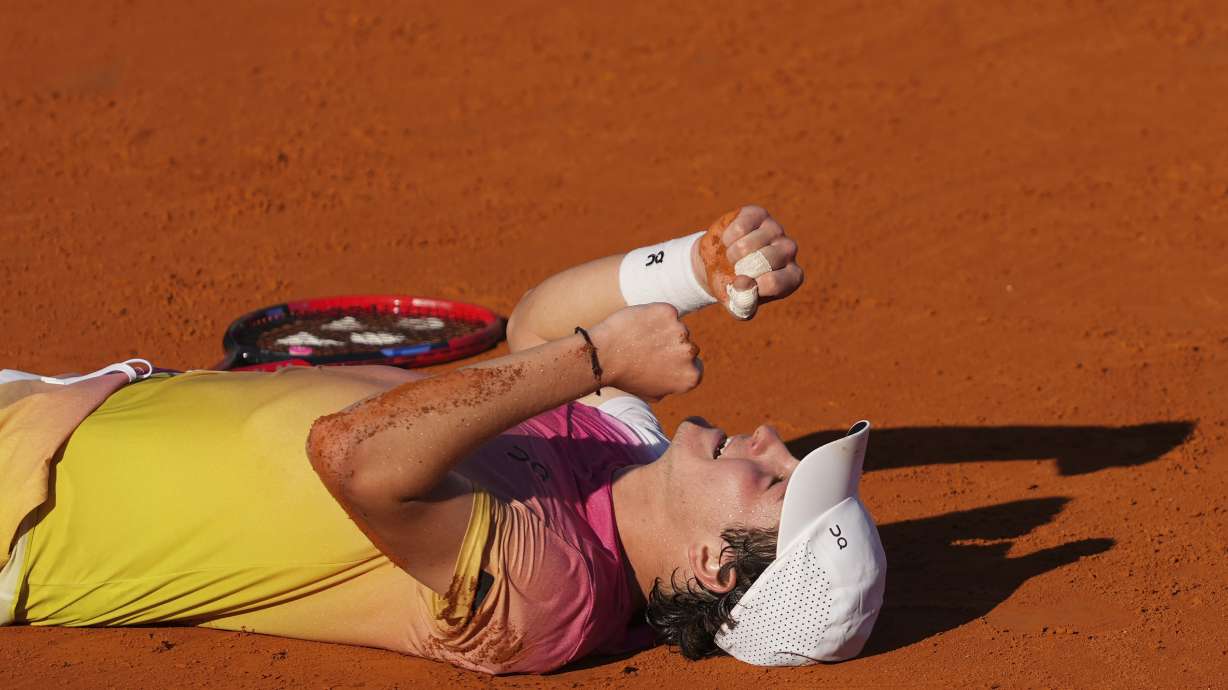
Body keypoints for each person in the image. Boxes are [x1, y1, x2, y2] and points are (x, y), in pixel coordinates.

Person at [0, 205, 886, 674]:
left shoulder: (552, 594)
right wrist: (692, 267)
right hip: (48, 408)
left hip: (25, 517)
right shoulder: (626, 442)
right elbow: (539, 326)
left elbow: (354, 457)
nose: (772, 438)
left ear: (712, 569)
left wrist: (595, 357)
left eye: (774, 480)